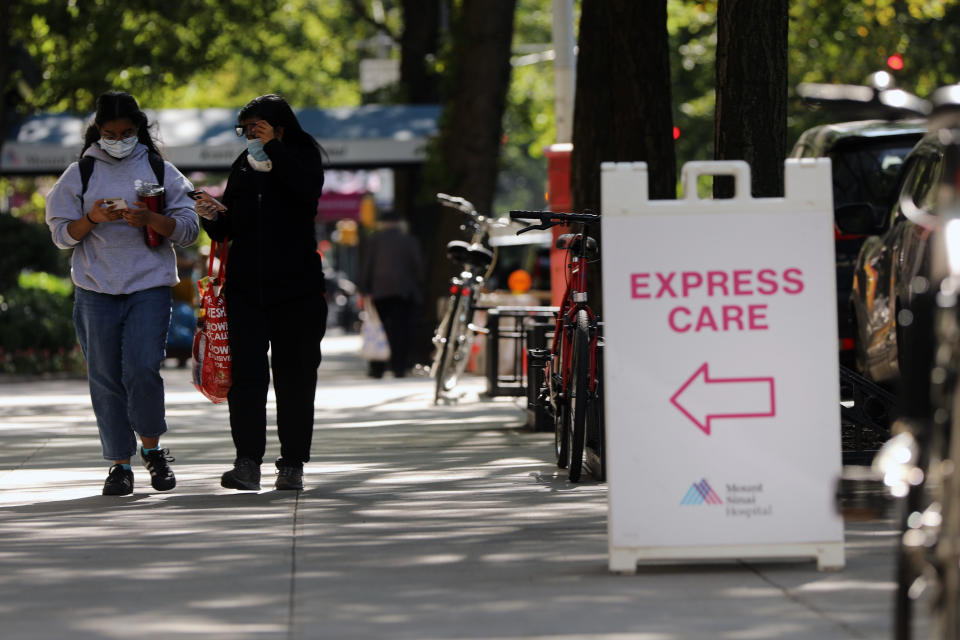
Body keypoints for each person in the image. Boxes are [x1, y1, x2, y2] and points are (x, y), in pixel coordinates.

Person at [44, 91, 199, 496]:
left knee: (143, 369)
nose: (119, 139)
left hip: (148, 284)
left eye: (128, 132)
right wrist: (92, 218)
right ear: (98, 131)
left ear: (139, 130)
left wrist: (150, 217)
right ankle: (119, 464)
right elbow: (61, 235)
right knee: (105, 377)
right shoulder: (79, 173)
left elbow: (188, 228)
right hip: (95, 288)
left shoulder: (160, 168)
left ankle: (153, 449)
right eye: (110, 133)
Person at [196, 94, 327, 492]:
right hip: (246, 291)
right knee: (247, 380)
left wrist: (273, 149)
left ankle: (291, 465)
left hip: (298, 291)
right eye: (246, 129)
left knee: (295, 379)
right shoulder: (242, 165)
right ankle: (247, 461)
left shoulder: (302, 157)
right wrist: (213, 216)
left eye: (258, 126)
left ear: (280, 126)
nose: (250, 134)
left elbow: (306, 194)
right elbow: (231, 229)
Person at [358, 211, 424, 378]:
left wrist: (365, 289)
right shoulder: (409, 240)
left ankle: (377, 367)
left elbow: (367, 266)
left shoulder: (374, 241)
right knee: (401, 330)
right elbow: (418, 267)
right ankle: (399, 366)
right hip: (403, 292)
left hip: (379, 292)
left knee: (379, 328)